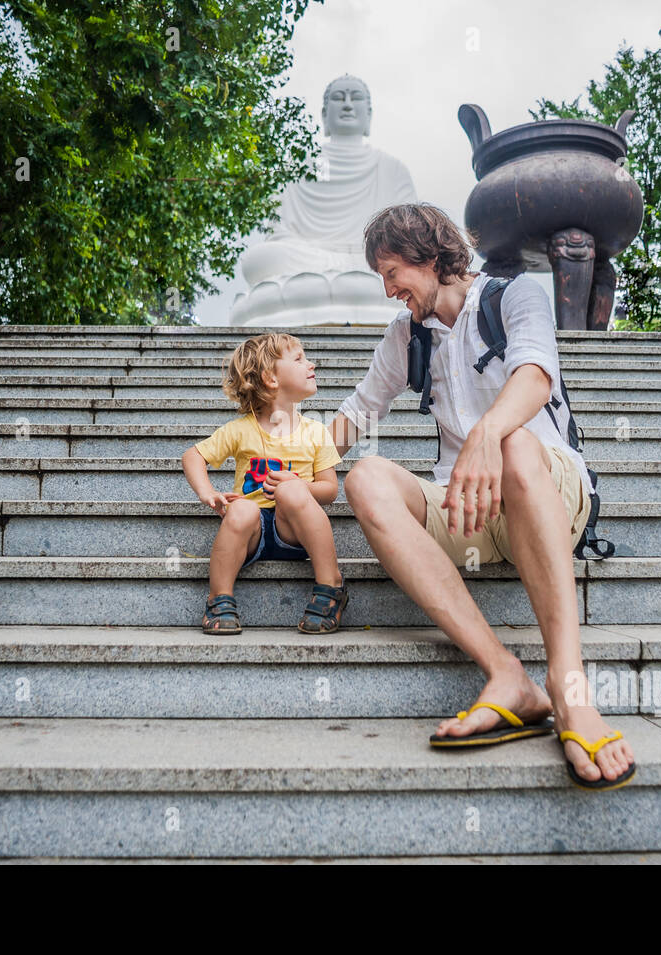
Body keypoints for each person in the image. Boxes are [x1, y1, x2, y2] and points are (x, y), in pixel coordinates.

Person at [327, 203, 636, 789]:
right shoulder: (407, 336)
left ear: (429, 256)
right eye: (381, 278)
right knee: (365, 478)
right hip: (465, 508)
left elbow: (535, 374)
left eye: (392, 273)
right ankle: (507, 676)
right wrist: (285, 466)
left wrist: (488, 433)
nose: (389, 289)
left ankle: (570, 692)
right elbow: (358, 412)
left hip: (544, 491)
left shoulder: (513, 296)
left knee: (516, 442)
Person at [182, 333, 347, 635]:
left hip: (293, 530)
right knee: (242, 510)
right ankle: (219, 598)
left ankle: (330, 585)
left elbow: (330, 490)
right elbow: (192, 456)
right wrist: (209, 494)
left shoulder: (316, 432)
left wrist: (298, 485)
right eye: (299, 359)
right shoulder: (240, 430)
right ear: (271, 378)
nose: (311, 364)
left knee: (290, 490)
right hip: (252, 533)